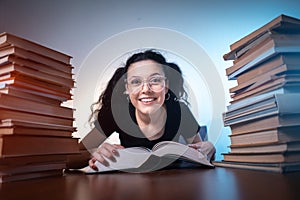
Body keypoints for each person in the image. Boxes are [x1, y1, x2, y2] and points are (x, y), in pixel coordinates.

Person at [72, 49, 215, 171]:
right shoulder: (117, 113)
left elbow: (200, 155)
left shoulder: (180, 111)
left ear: (166, 86)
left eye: (155, 80)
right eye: (136, 82)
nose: (146, 89)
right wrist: (94, 153)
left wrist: (209, 148)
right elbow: (72, 155)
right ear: (127, 88)